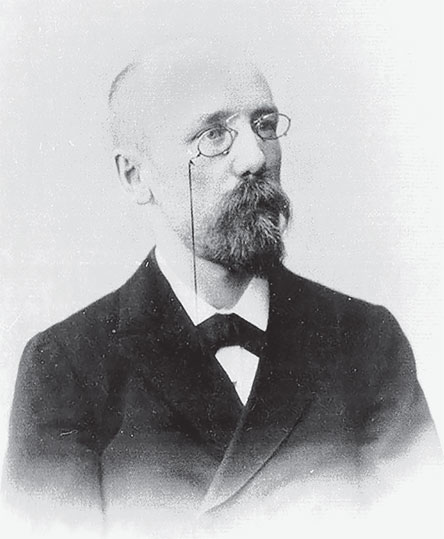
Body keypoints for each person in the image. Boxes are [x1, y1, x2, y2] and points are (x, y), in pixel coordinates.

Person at [3, 41, 441, 536]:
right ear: (135, 176)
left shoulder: (366, 340)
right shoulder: (66, 367)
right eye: (213, 135)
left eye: (265, 125)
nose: (255, 157)